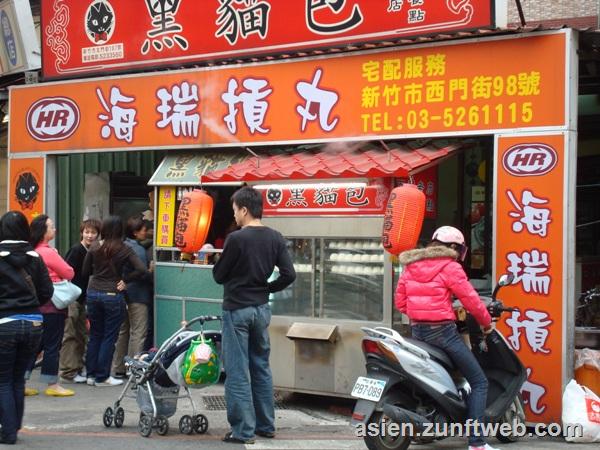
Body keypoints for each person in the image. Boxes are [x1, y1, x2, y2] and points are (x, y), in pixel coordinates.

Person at [394, 226, 496, 450]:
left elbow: (400, 303)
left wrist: (421, 313)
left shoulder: (411, 265)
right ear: (454, 248)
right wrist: (486, 323)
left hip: (418, 332)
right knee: (479, 382)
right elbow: (471, 300)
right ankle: (477, 442)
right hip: (444, 334)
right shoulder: (451, 267)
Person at [213, 186, 296, 444]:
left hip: (237, 309)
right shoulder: (275, 237)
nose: (234, 215)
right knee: (261, 367)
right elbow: (289, 274)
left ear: (245, 209)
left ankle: (242, 431)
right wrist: (266, 288)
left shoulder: (236, 239)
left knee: (237, 371)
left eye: (235, 210)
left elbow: (219, 275)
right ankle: (266, 425)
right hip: (261, 309)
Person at [0, 211, 54, 444]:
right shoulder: (35, 257)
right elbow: (47, 292)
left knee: (2, 380)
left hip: (4, 324)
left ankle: (8, 431)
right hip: (34, 323)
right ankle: (15, 426)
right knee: (18, 379)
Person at [82, 216, 149, 387]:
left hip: (93, 293)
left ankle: (90, 374)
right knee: (109, 336)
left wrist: (97, 275)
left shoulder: (95, 246)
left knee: (95, 335)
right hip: (112, 294)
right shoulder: (124, 248)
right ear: (120, 230)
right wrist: (125, 279)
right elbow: (141, 269)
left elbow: (84, 271)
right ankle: (103, 377)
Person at [26, 215, 76, 397]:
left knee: (36, 345)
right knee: (53, 344)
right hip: (52, 305)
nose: (54, 229)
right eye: (51, 226)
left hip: (35, 306)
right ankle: (52, 384)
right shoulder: (47, 252)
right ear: (43, 232)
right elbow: (69, 272)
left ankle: (22, 380)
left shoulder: (31, 251)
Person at [59, 218, 102, 384]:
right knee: (70, 334)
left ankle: (76, 368)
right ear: (82, 233)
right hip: (71, 299)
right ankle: (68, 371)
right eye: (87, 232)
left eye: (93, 233)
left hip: (81, 299)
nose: (90, 235)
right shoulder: (77, 250)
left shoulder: (92, 251)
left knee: (81, 335)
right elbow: (66, 273)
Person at [112, 217, 153, 378]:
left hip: (123, 294)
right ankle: (134, 369)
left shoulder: (122, 246)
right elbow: (142, 273)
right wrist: (151, 271)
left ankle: (119, 367)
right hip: (138, 295)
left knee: (123, 332)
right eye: (144, 230)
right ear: (135, 232)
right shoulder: (138, 250)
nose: (147, 232)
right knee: (138, 332)